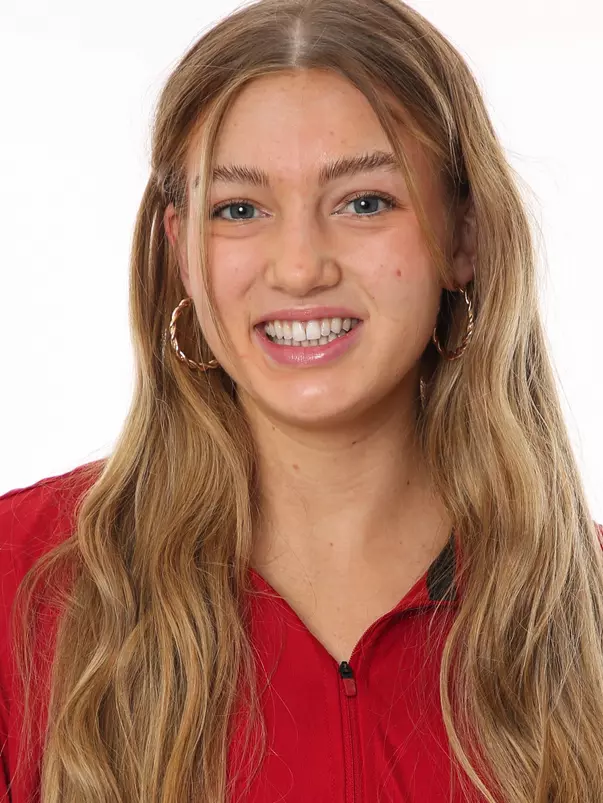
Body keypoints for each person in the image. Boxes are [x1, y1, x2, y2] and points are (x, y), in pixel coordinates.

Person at [1, 0, 602, 801]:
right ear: (183, 254)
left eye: (365, 201)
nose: (298, 267)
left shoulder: (586, 613)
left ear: (464, 234)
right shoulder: (20, 580)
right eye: (239, 209)